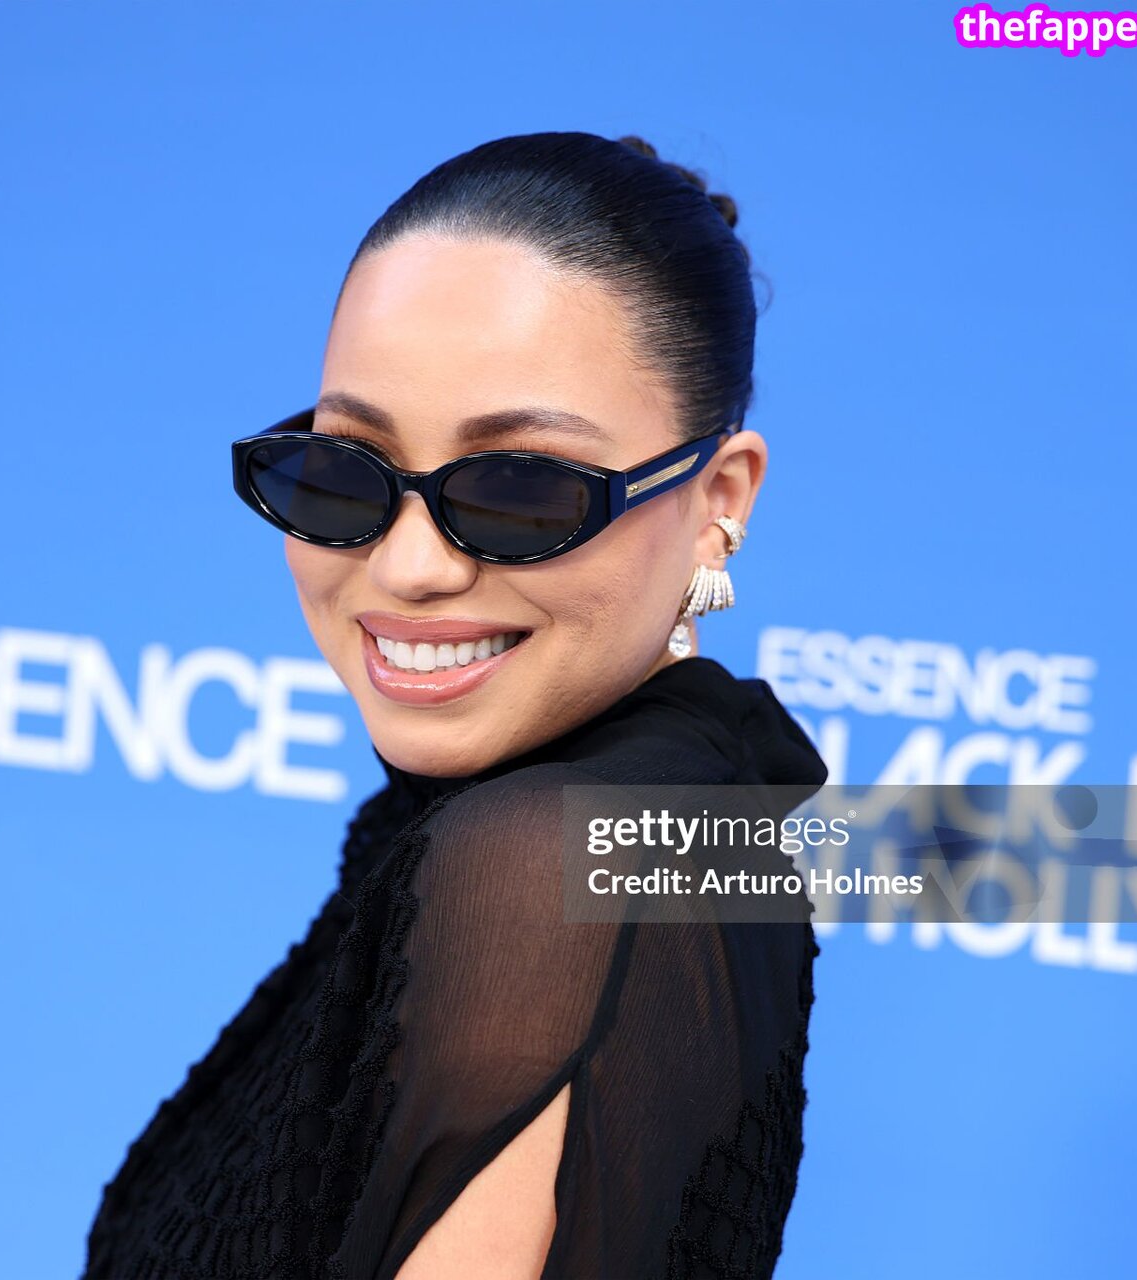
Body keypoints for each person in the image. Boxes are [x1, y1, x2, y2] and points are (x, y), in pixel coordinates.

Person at [85, 130, 828, 1280]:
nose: (410, 566)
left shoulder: (556, 869)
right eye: (345, 470)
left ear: (717, 499)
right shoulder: (647, 822)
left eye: (522, 488)